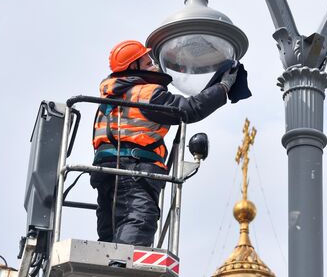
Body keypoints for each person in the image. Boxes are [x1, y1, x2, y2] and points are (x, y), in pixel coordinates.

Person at [90, 40, 237, 246]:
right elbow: (189, 109)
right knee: (139, 220)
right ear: (133, 67)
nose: (154, 66)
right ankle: (122, 268)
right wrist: (223, 88)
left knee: (110, 231)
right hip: (134, 172)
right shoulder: (145, 93)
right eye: (147, 62)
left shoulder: (110, 98)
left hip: (105, 173)